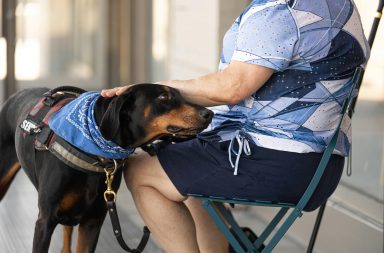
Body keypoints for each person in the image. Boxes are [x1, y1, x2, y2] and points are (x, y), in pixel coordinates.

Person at [101, 0, 370, 252]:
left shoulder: (278, 12)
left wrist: (161, 90)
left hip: (277, 162)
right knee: (183, 168)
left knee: (140, 171)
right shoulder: (338, 4)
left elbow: (232, 87)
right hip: (319, 167)